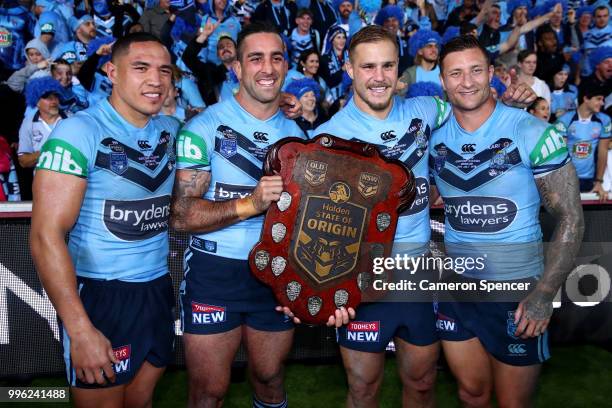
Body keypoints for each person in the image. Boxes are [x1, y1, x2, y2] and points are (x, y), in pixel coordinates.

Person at [281, 25, 535, 408]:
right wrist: (312, 288)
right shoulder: (326, 138)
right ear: (349, 70)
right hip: (361, 280)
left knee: (421, 384)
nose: (379, 77)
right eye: (368, 67)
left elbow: (476, 111)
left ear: (400, 69)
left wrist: (512, 106)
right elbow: (307, 224)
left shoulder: (427, 110)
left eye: (387, 65)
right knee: (363, 389)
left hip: (417, 275)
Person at [429, 34, 584, 407]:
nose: (466, 81)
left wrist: (544, 294)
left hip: (517, 290)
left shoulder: (533, 131)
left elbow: (571, 218)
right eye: (456, 73)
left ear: (493, 74)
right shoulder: (433, 137)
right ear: (443, 80)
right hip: (458, 287)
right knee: (471, 394)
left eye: (476, 70)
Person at [30, 32, 180, 407]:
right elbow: (45, 236)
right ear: (112, 72)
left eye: (165, 70)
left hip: (158, 290)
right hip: (102, 297)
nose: (156, 80)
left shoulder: (171, 130)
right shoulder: (78, 132)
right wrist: (80, 331)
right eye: (141, 68)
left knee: (141, 402)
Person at [170, 22, 305, 408]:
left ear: (285, 66)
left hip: (277, 270)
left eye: (276, 58)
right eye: (256, 58)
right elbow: (181, 215)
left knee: (269, 379)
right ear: (238, 68)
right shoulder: (202, 127)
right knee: (209, 391)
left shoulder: (299, 135)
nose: (267, 67)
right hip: (215, 271)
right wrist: (250, 203)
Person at [554, 83, 611, 199]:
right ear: (586, 98)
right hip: (567, 179)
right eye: (598, 99)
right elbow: (560, 154)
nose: (602, 103)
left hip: (590, 180)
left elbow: (603, 152)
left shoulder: (604, 120)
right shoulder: (564, 120)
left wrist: (599, 181)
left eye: (603, 99)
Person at [18, 77, 66, 169]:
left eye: (56, 96)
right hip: (43, 180)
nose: (53, 101)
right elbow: (23, 161)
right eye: (47, 97)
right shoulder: (28, 123)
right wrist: (47, 150)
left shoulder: (71, 120)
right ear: (36, 102)